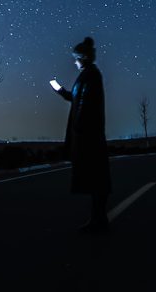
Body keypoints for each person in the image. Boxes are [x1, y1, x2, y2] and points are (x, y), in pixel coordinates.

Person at [53, 36, 112, 233]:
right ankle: (98, 218)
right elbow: (78, 97)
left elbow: (85, 103)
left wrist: (78, 128)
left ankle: (99, 219)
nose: (74, 61)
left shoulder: (91, 75)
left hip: (88, 135)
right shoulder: (89, 74)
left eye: (76, 58)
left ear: (83, 57)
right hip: (89, 134)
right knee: (96, 177)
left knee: (96, 177)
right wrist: (61, 91)